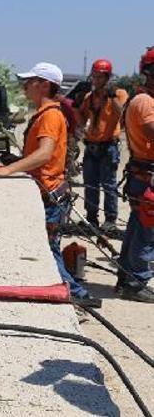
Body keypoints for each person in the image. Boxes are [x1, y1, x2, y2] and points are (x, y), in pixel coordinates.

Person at [0, 62, 100, 307]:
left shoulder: (49, 116)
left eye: (30, 81)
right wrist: (18, 161)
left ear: (45, 85)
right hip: (51, 192)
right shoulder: (46, 113)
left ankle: (76, 295)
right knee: (49, 249)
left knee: (48, 252)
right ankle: (75, 293)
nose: (25, 86)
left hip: (49, 195)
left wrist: (8, 170)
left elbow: (44, 154)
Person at [117, 48, 154, 303]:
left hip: (142, 174)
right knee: (147, 232)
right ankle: (135, 281)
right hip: (146, 175)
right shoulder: (145, 102)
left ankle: (127, 277)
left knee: (137, 227)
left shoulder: (143, 100)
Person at [77, 59, 128, 231]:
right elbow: (81, 120)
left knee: (109, 185)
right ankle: (92, 218)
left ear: (107, 78)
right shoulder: (89, 98)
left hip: (108, 147)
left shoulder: (119, 94)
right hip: (92, 145)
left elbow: (122, 114)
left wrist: (112, 95)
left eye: (100, 77)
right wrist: (77, 106)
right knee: (90, 184)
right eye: (94, 77)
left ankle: (110, 221)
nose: (96, 80)